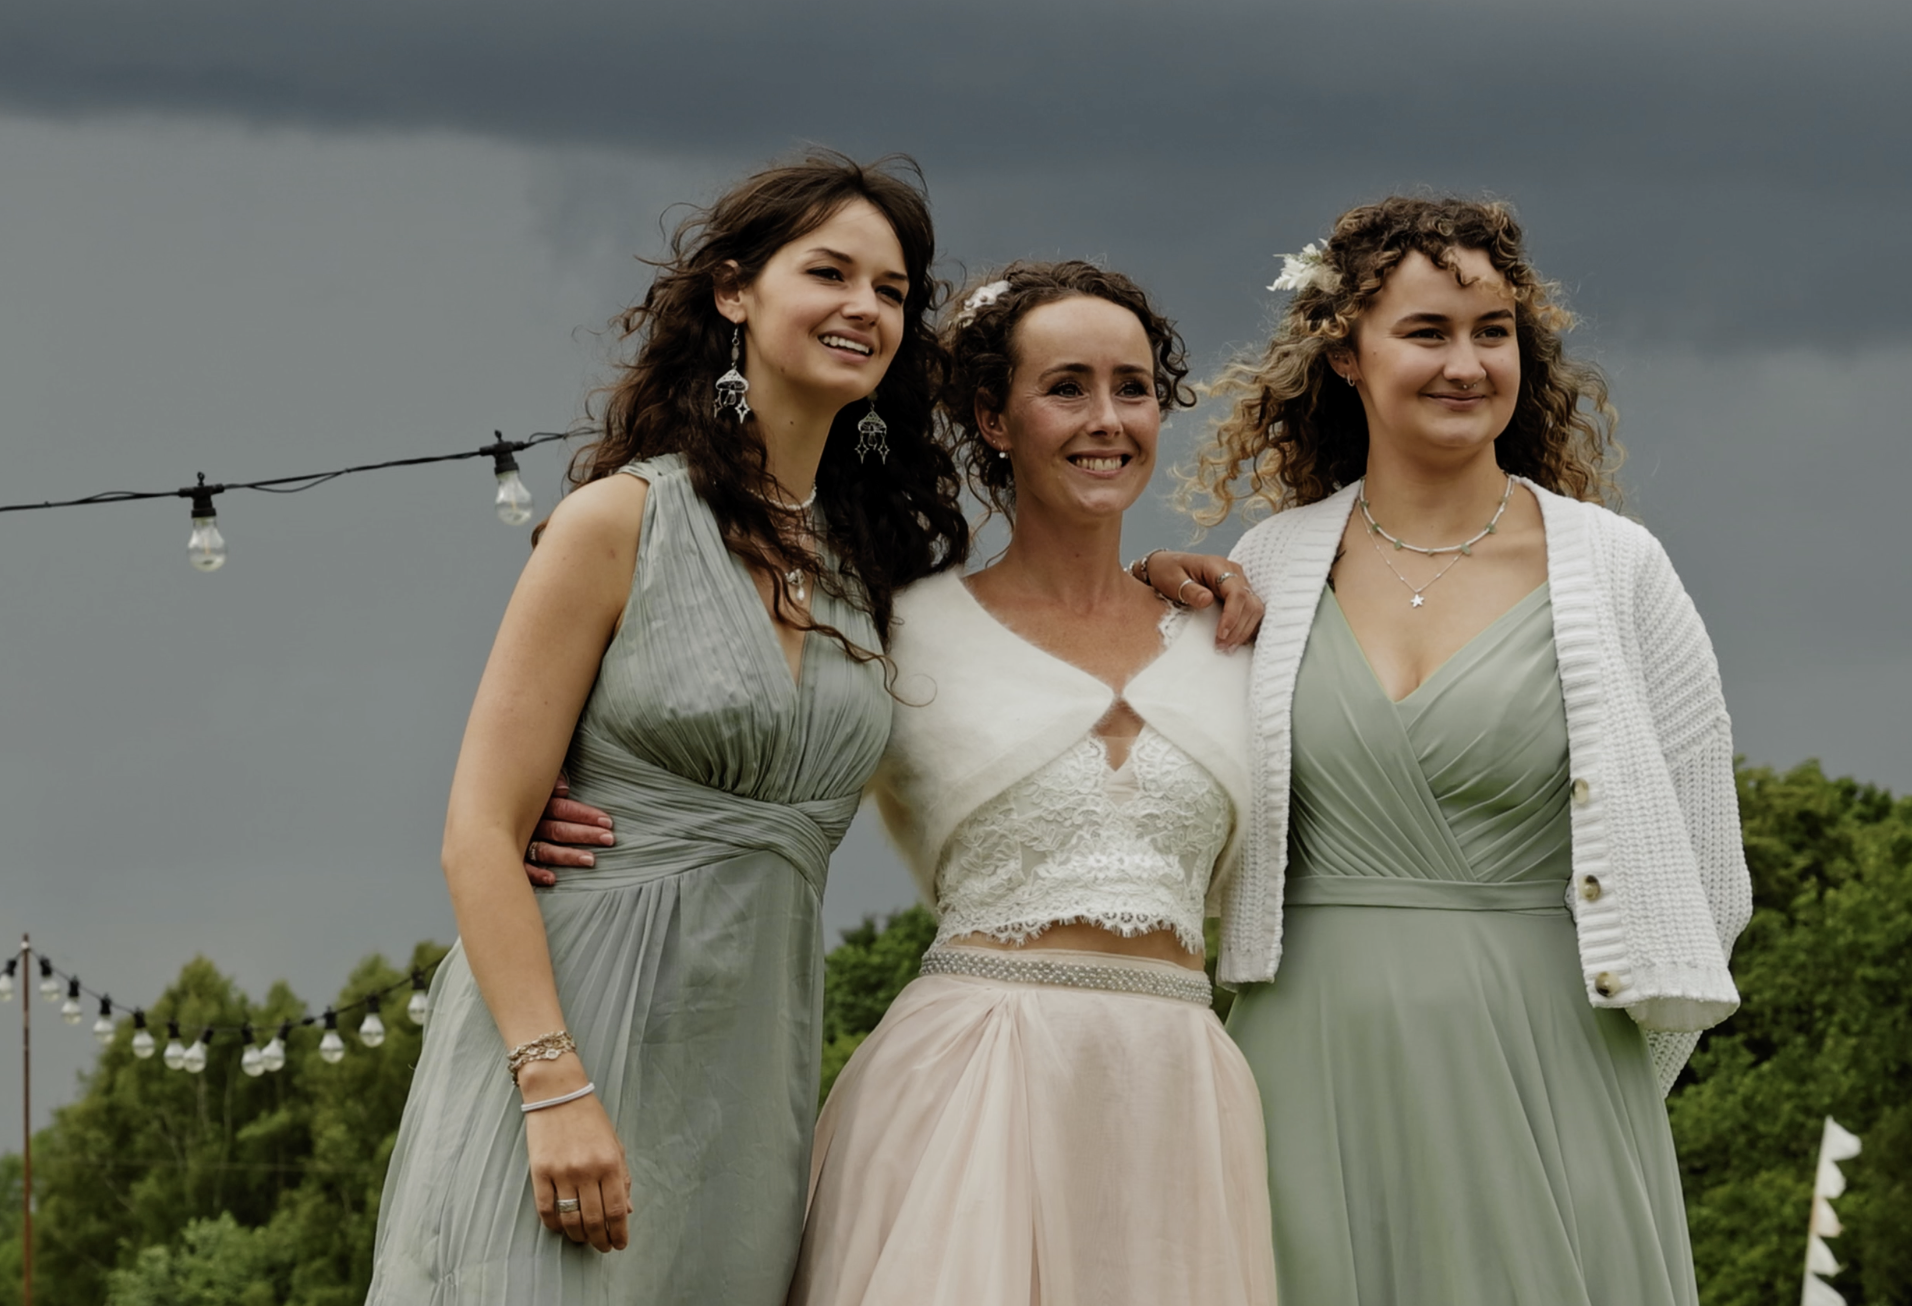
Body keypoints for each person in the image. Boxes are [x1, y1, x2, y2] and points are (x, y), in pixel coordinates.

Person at [530, 263, 1274, 1305]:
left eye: (1134, 388)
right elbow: (742, 738)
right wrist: (586, 797)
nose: (1106, 419)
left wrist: (1166, 572)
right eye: (1066, 387)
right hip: (966, 1097)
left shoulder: (1234, 633)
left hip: (1179, 1098)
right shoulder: (896, 630)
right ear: (993, 417)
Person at [365, 152, 972, 1304]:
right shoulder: (616, 522)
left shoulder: (874, 571)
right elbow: (478, 833)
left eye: (891, 290)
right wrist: (551, 1085)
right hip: (569, 1047)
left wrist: (1177, 584)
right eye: (830, 272)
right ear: (733, 290)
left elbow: (1042, 632)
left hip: (746, 1077)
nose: (863, 306)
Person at [1177, 195, 1752, 1305]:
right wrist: (1142, 587)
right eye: (1427, 331)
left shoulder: (1619, 569)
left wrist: (1606, 1089)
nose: (1466, 363)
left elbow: (1709, 877)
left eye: (1493, 332)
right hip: (1303, 1063)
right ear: (1345, 354)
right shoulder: (1271, 564)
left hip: (1552, 1070)